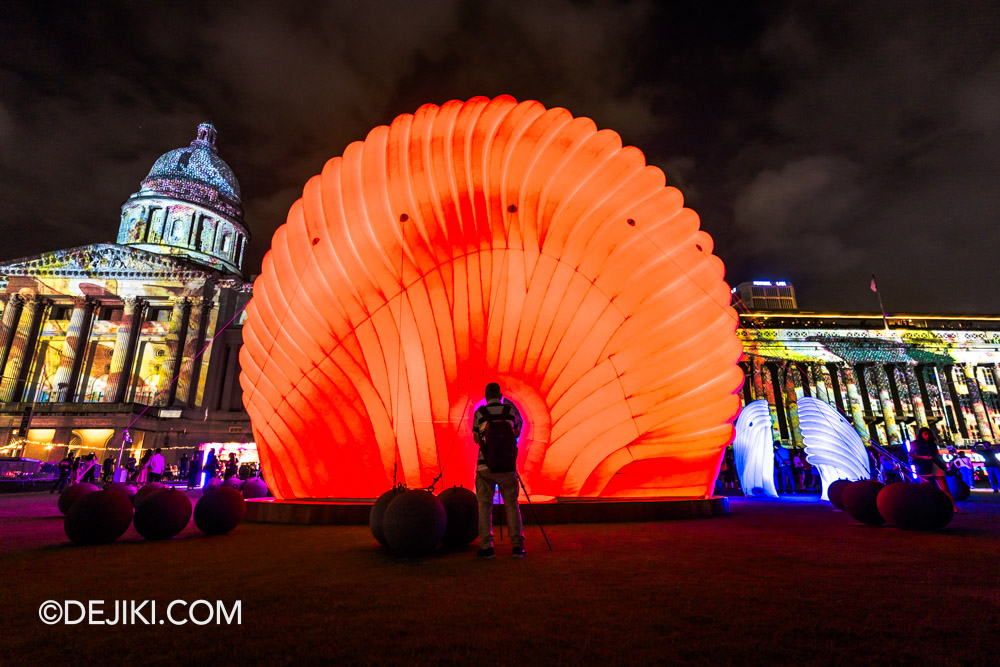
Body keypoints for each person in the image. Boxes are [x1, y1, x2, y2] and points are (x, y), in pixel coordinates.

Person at [472, 382, 525, 559]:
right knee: (511, 504)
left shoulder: (480, 413)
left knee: (485, 505)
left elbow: (476, 439)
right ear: (500, 395)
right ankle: (517, 546)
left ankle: (487, 546)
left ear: (486, 396)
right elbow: (516, 432)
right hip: (508, 467)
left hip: (485, 466)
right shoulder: (509, 411)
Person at [910, 428, 960, 512]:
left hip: (936, 464)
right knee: (925, 488)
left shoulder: (932, 443)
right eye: (925, 434)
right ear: (921, 434)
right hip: (924, 466)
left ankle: (954, 508)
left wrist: (943, 464)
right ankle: (929, 508)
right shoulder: (916, 443)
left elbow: (937, 454)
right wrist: (923, 457)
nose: (927, 436)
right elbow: (911, 454)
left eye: (928, 434)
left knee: (944, 488)